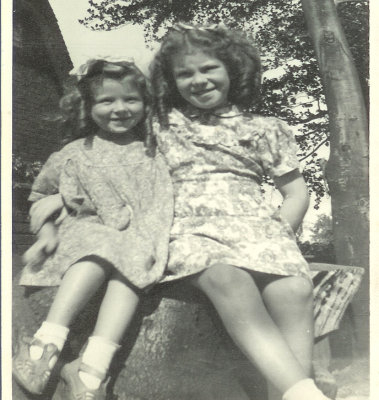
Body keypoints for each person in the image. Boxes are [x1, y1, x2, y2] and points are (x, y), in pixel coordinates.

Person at [149, 23, 331, 400]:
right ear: (171, 80)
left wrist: (280, 231)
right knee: (228, 280)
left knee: (294, 289)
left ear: (232, 68)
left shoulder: (265, 128)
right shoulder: (163, 124)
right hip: (191, 230)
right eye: (184, 73)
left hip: (256, 230)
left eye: (208, 68)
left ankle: (282, 393)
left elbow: (296, 192)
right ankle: (303, 392)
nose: (198, 80)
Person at [12, 59, 173, 400]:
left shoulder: (153, 152)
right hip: (85, 235)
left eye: (131, 99)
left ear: (146, 104)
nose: (120, 109)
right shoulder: (72, 153)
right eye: (106, 100)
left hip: (136, 238)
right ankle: (47, 341)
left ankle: (92, 365)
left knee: (133, 265)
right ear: (87, 106)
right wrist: (46, 233)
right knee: (101, 247)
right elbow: (40, 197)